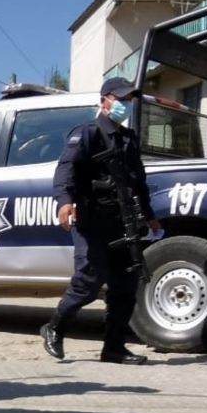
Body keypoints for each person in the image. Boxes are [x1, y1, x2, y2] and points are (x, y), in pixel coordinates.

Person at [40, 76, 163, 365]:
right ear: (104, 100)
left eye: (128, 100)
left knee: (125, 286)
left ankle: (114, 348)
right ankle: (54, 327)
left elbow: (139, 182)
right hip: (91, 221)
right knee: (88, 282)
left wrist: (150, 216)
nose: (125, 105)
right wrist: (65, 202)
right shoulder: (87, 133)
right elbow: (65, 171)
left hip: (123, 223)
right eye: (120, 99)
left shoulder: (129, 139)